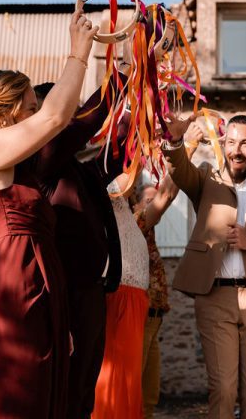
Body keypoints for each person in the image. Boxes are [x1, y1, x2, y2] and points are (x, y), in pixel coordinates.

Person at [0, 10, 98, 418]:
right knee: (24, 399)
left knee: (54, 399)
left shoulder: (23, 165)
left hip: (45, 281)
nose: (39, 117)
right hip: (15, 289)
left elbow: (65, 123)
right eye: (31, 107)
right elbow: (57, 117)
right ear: (8, 109)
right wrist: (79, 53)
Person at [162, 114, 246, 419]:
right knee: (223, 388)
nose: (237, 150)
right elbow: (179, 169)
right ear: (224, 144)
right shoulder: (206, 179)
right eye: (232, 142)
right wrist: (174, 141)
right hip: (215, 298)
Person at [33, 81, 124, 419]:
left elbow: (116, 154)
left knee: (86, 382)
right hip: (62, 291)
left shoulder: (77, 170)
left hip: (91, 291)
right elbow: (85, 124)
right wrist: (120, 75)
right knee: (68, 384)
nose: (69, 120)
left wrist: (147, 107)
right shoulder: (42, 163)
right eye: (64, 113)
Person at [129, 124, 205, 419]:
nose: (150, 204)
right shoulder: (137, 221)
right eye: (145, 200)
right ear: (136, 204)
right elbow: (166, 197)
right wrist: (188, 147)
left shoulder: (140, 226)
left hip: (156, 314)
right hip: (141, 315)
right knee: (136, 394)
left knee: (149, 395)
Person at [92, 171, 150, 419]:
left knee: (128, 383)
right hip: (120, 296)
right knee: (114, 382)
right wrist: (142, 139)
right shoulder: (109, 190)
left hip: (133, 299)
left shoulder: (125, 207)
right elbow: (125, 179)